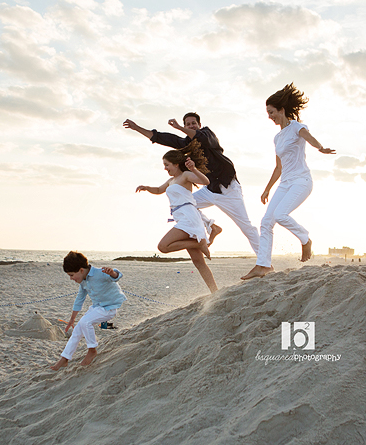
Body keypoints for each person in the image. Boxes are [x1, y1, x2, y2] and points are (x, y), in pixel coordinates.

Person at [124, 112, 260, 255]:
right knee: (186, 205)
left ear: (199, 125)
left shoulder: (207, 134)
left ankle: (264, 262)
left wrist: (179, 127)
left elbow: (200, 138)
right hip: (210, 189)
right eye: (187, 124)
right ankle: (212, 227)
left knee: (246, 226)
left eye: (193, 123)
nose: (191, 126)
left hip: (228, 188)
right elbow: (162, 138)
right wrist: (136, 127)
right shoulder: (186, 144)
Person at [242, 83, 336, 280]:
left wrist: (321, 148)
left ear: (282, 110)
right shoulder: (277, 138)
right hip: (284, 183)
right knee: (266, 221)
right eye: (268, 113)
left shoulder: (296, 127)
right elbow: (278, 167)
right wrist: (267, 189)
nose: (270, 116)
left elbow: (309, 138)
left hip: (301, 181)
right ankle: (263, 265)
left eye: (271, 112)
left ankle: (305, 239)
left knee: (280, 214)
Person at [136, 140, 218, 293]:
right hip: (182, 216)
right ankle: (215, 291)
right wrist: (147, 188)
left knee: (163, 247)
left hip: (188, 217)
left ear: (176, 164)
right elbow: (159, 190)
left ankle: (200, 243)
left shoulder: (185, 176)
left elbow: (205, 181)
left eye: (167, 165)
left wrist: (193, 169)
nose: (165, 168)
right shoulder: (171, 181)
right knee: (199, 262)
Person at [51, 251, 126, 370]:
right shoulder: (83, 282)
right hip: (97, 307)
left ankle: (92, 350)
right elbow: (79, 299)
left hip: (109, 308)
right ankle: (64, 359)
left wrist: (112, 273)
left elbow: (117, 276)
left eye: (71, 275)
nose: (71, 278)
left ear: (81, 270)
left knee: (86, 322)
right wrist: (72, 319)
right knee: (78, 329)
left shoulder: (100, 273)